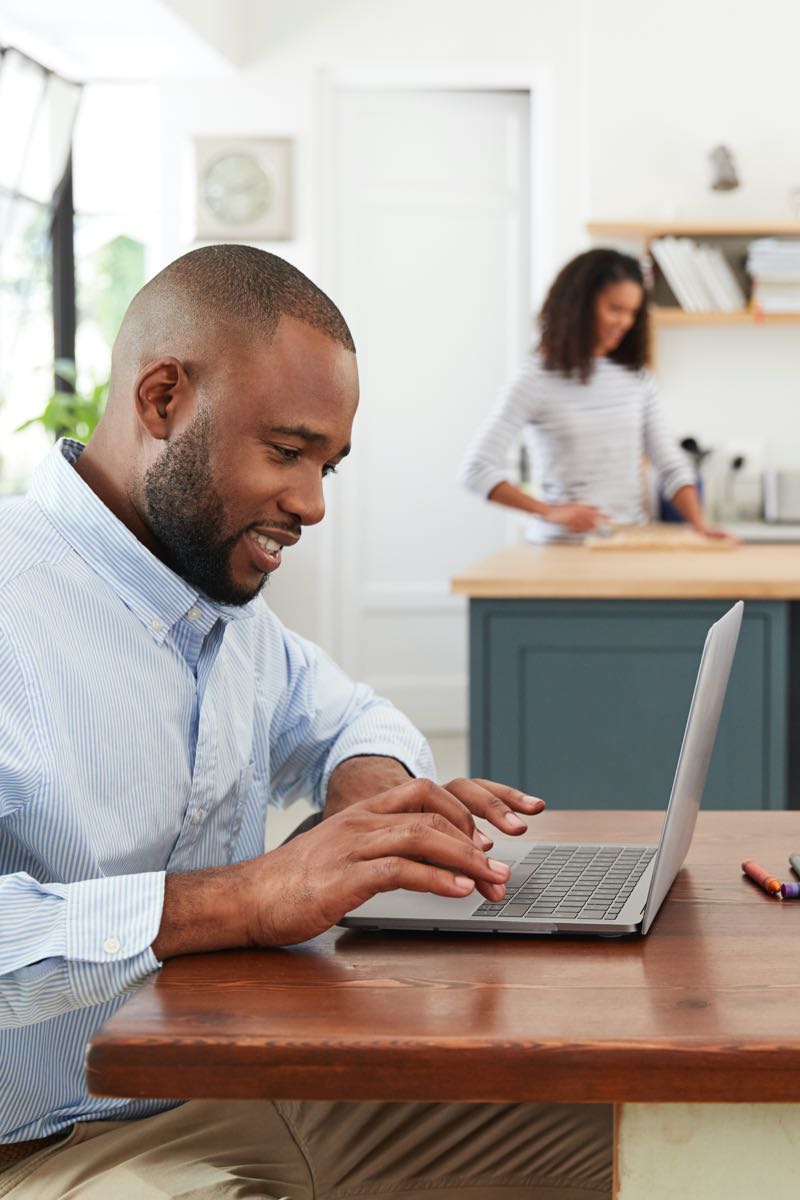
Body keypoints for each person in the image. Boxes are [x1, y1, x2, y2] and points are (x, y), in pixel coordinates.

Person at [0, 245, 612, 1198]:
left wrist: (377, 803)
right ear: (161, 399)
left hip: (265, 1085)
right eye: (287, 453)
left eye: (327, 464)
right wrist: (249, 896)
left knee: (656, 1137)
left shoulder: (219, 600)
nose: (313, 503)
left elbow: (350, 717)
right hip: (57, 1148)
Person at [459, 247, 726, 541]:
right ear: (580, 305)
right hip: (560, 549)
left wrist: (700, 526)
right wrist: (548, 511)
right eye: (615, 308)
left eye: (632, 313)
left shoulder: (637, 379)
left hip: (624, 543)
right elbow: (476, 468)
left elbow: (671, 466)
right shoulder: (535, 379)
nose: (624, 322)